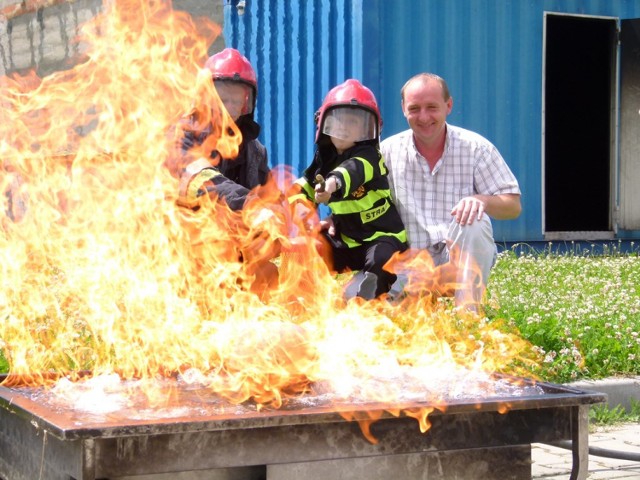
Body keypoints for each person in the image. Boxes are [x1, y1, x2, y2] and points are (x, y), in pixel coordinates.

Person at [380, 73, 521, 310]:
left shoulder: (476, 148)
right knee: (387, 321)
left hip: (458, 264)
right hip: (411, 266)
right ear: (403, 108)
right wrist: (333, 220)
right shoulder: (387, 152)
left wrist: (481, 200)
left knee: (475, 220)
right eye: (414, 108)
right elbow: (364, 199)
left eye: (432, 107)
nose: (423, 117)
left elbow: (513, 206)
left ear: (449, 105)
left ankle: (467, 318)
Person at [289, 79, 408, 300]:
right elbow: (301, 187)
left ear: (367, 129)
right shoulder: (324, 159)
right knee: (303, 247)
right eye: (338, 121)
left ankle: (366, 311)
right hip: (346, 239)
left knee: (380, 261)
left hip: (382, 237)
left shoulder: (370, 157)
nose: (344, 127)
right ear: (324, 124)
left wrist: (330, 186)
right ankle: (303, 304)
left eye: (353, 122)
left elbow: (351, 171)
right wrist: (297, 208)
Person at [171, 48, 277, 296]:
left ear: (247, 104)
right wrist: (251, 206)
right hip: (181, 254)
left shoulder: (254, 151)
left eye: (236, 100)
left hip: (234, 254)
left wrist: (284, 218)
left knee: (269, 277)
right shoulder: (182, 138)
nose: (228, 107)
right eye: (221, 98)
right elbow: (203, 180)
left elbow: (270, 196)